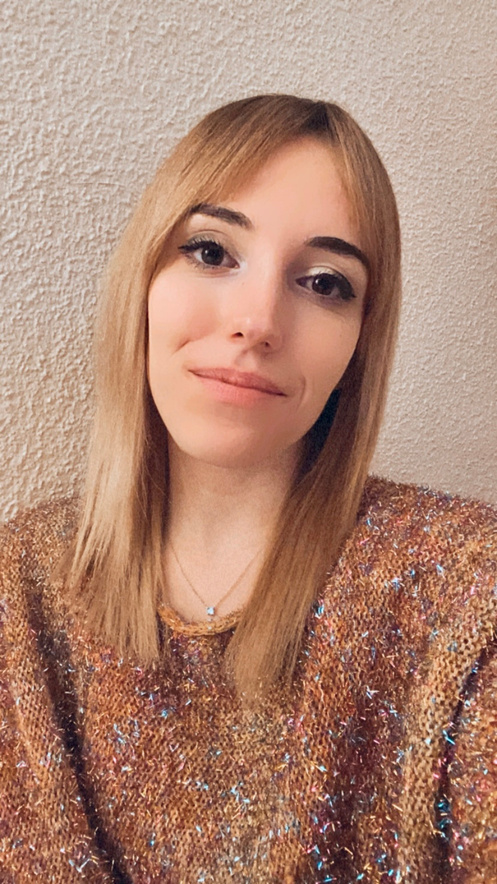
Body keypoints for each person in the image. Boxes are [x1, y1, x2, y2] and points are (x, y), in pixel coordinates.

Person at [0, 95, 495, 884]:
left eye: (324, 282)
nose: (258, 321)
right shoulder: (20, 587)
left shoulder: (463, 589)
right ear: (143, 281)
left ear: (360, 343)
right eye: (211, 251)